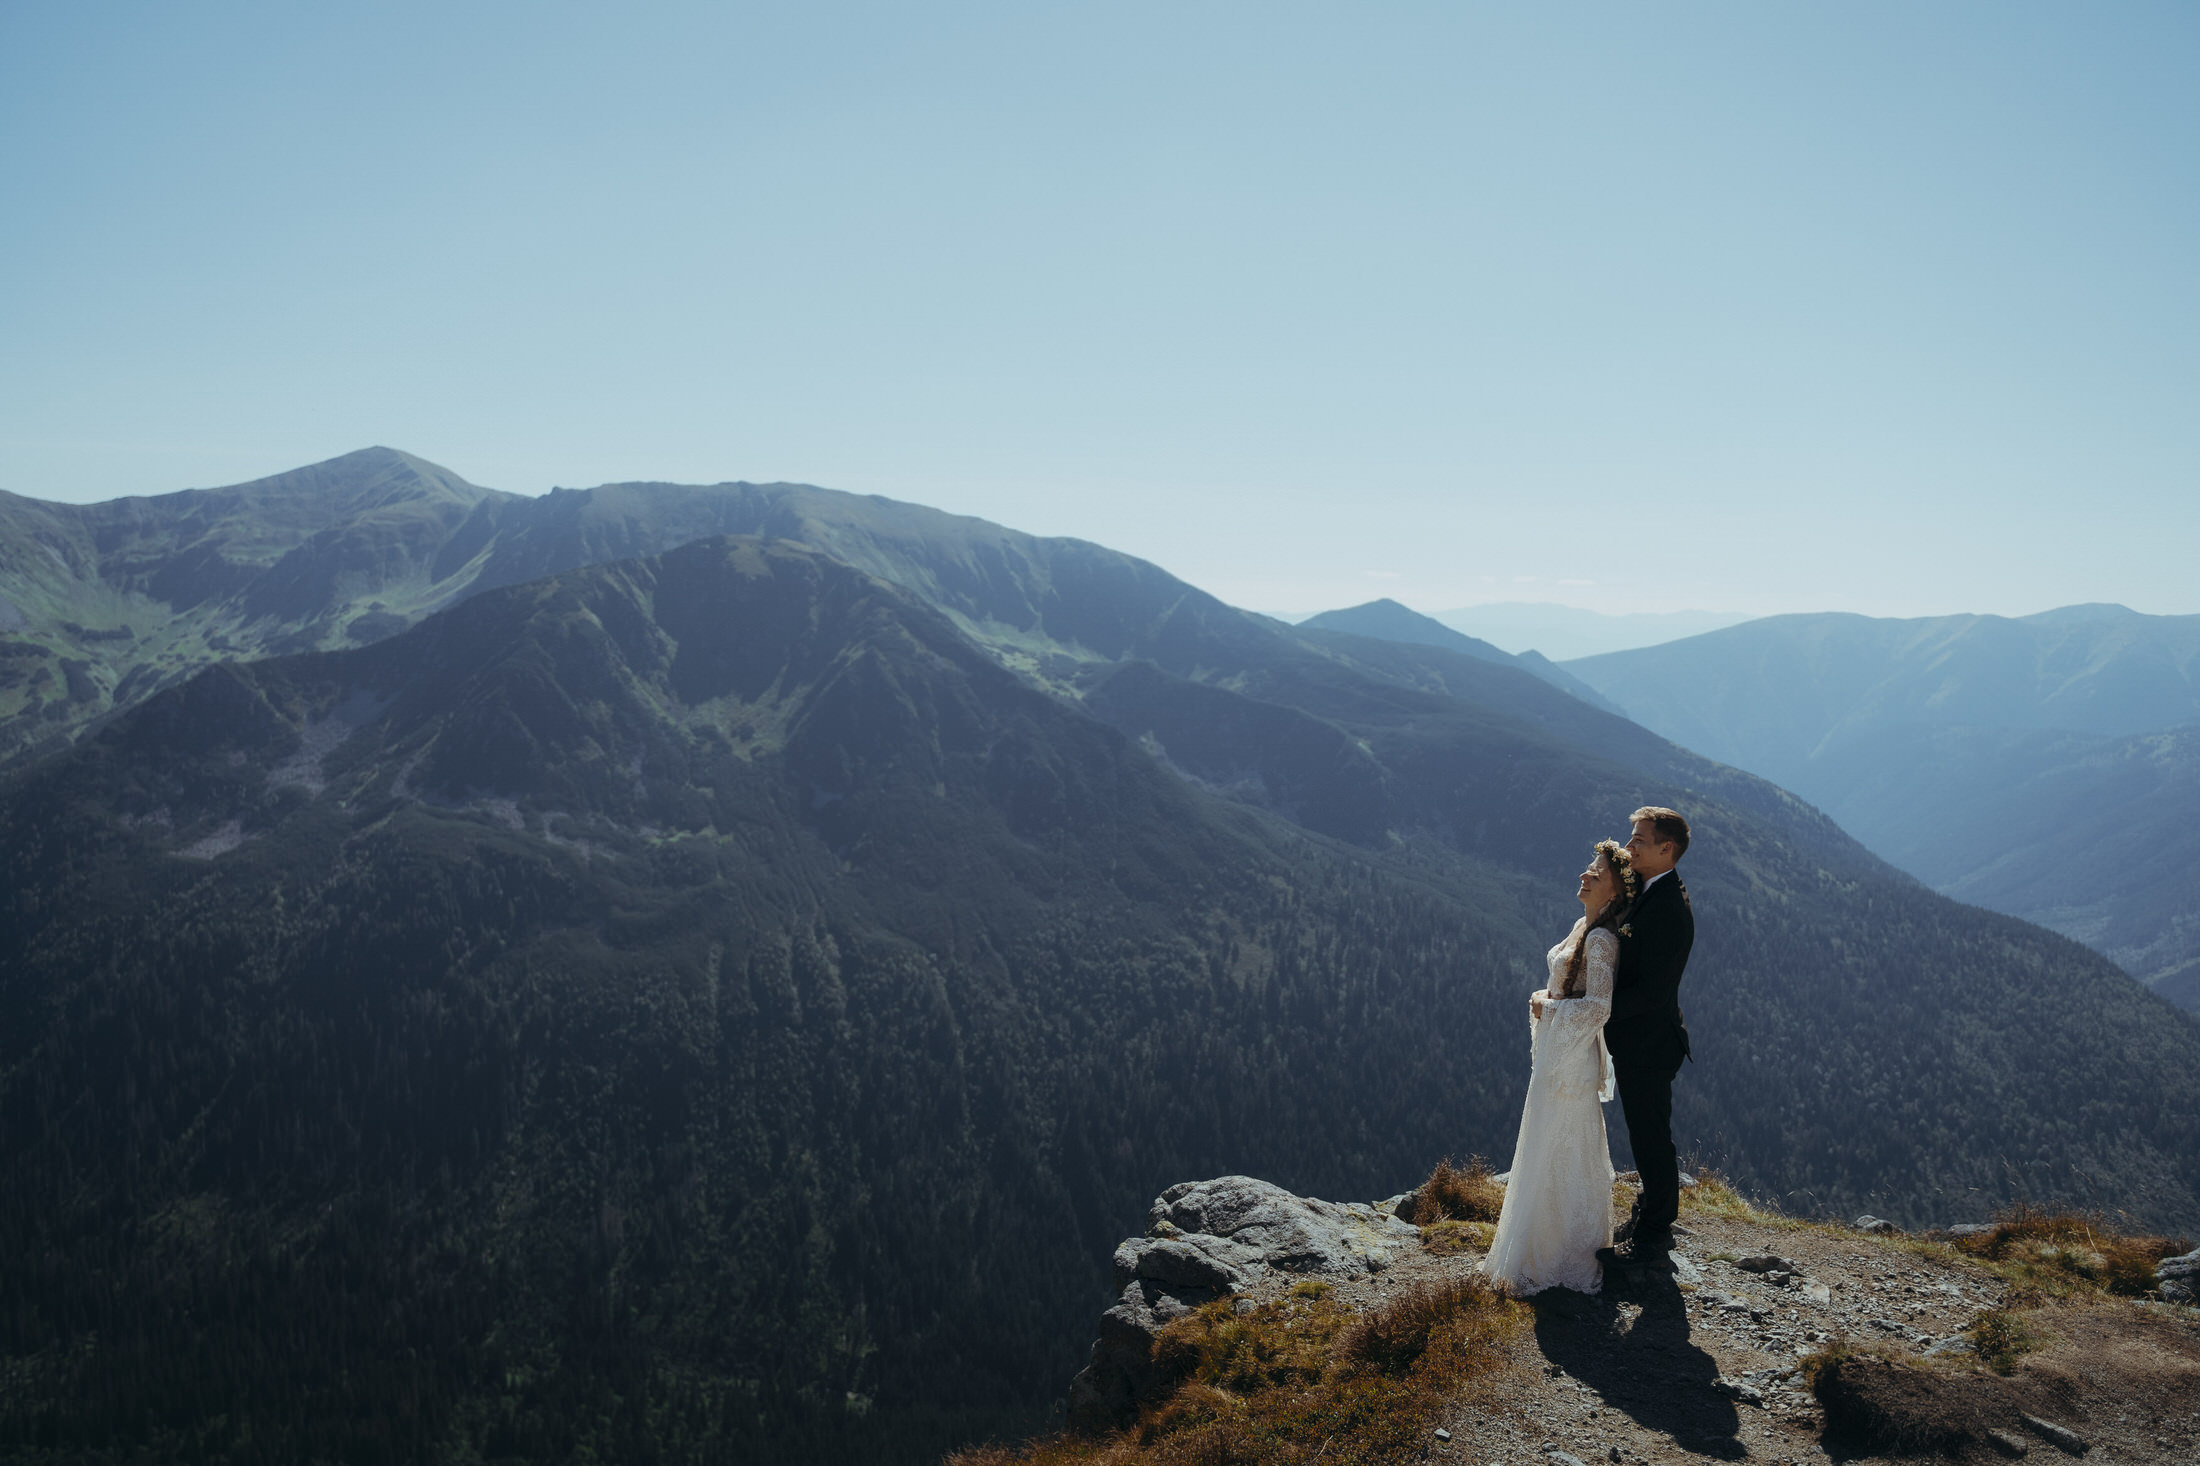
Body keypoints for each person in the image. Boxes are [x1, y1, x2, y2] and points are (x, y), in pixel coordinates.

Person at [1479, 839, 1637, 1296]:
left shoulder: (1603, 941)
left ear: (1612, 892)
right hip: (1557, 1054)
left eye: (1596, 871)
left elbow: (1598, 1007)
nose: (1585, 874)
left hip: (1571, 1060)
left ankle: (1561, 1253)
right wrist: (1548, 1003)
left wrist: (1548, 1009)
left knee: (1563, 1144)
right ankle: (1534, 1244)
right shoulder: (1580, 926)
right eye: (1589, 866)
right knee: (1548, 1139)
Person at [1598, 805, 1696, 1269]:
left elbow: (1654, 992)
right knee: (1644, 1132)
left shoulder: (1670, 907)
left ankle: (1656, 1227)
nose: (1630, 845)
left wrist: (1594, 1011)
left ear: (1666, 848)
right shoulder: (1649, 893)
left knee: (1651, 1135)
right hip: (1638, 1040)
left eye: (1639, 839)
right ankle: (1648, 1215)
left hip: (1652, 1043)